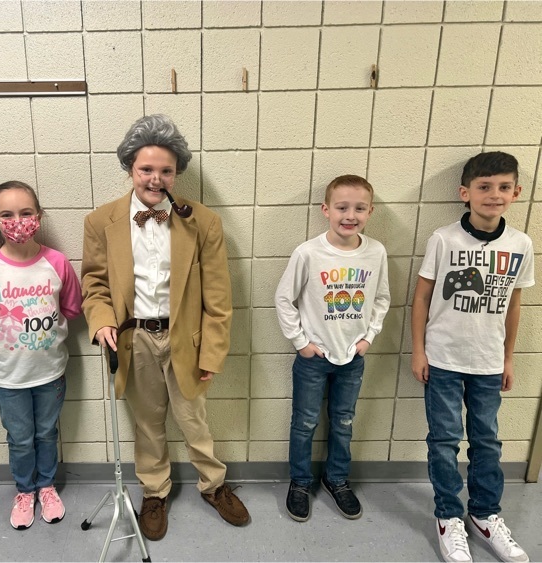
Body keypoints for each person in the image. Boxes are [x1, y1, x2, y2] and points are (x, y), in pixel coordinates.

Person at [81, 114, 250, 541]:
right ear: (129, 167)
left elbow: (218, 297)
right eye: (146, 169)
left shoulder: (203, 222)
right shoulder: (101, 222)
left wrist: (212, 352)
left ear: (177, 173)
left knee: (194, 419)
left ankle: (213, 484)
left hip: (185, 339)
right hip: (133, 337)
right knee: (147, 422)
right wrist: (101, 321)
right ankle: (154, 492)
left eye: (166, 171)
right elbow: (94, 284)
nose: (155, 179)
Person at [412, 152, 533, 563]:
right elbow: (422, 298)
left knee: (487, 441)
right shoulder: (444, 239)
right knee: (444, 440)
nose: (494, 195)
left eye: (503, 187)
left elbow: (514, 304)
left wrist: (508, 358)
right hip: (443, 360)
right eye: (484, 187)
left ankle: (484, 514)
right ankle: (448, 516)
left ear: (516, 192)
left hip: (488, 363)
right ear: (465, 193)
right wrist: (419, 350)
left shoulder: (521, 244)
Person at [0, 181, 82, 530]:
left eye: (26, 212)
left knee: (46, 433)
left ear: (39, 216)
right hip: (8, 375)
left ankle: (46, 485)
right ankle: (25, 490)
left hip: (50, 372)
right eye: (7, 215)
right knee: (19, 439)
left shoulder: (56, 262)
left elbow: (72, 308)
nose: (18, 221)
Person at [275, 174, 390, 522]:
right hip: (314, 358)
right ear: (326, 210)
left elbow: (382, 298)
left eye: (359, 208)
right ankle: (300, 481)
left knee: (343, 422)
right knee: (305, 422)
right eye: (342, 207)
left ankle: (336, 478)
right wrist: (301, 343)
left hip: (352, 357)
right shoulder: (308, 253)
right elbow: (284, 299)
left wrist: (369, 338)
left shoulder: (376, 252)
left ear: (370, 211)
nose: (350, 215)